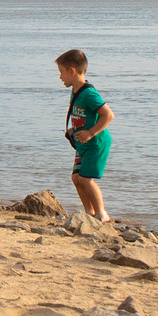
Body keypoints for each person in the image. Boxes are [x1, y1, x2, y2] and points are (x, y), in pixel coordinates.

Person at [57, 48, 114, 221]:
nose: (60, 77)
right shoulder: (75, 90)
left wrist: (90, 132)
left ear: (72, 71)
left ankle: (102, 213)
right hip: (83, 144)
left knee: (85, 179)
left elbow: (108, 115)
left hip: (95, 143)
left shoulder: (88, 93)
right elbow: (83, 115)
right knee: (76, 178)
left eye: (61, 72)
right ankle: (89, 213)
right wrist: (74, 129)